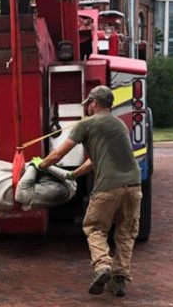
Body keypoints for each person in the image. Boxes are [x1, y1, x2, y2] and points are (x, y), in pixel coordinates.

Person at [33, 85, 142, 298]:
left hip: (108, 187)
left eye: (88, 104)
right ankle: (119, 278)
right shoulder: (119, 125)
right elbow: (94, 160)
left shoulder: (86, 124)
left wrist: (40, 166)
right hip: (134, 185)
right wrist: (73, 176)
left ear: (93, 103)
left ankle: (103, 267)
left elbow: (58, 154)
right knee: (126, 232)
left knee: (95, 228)